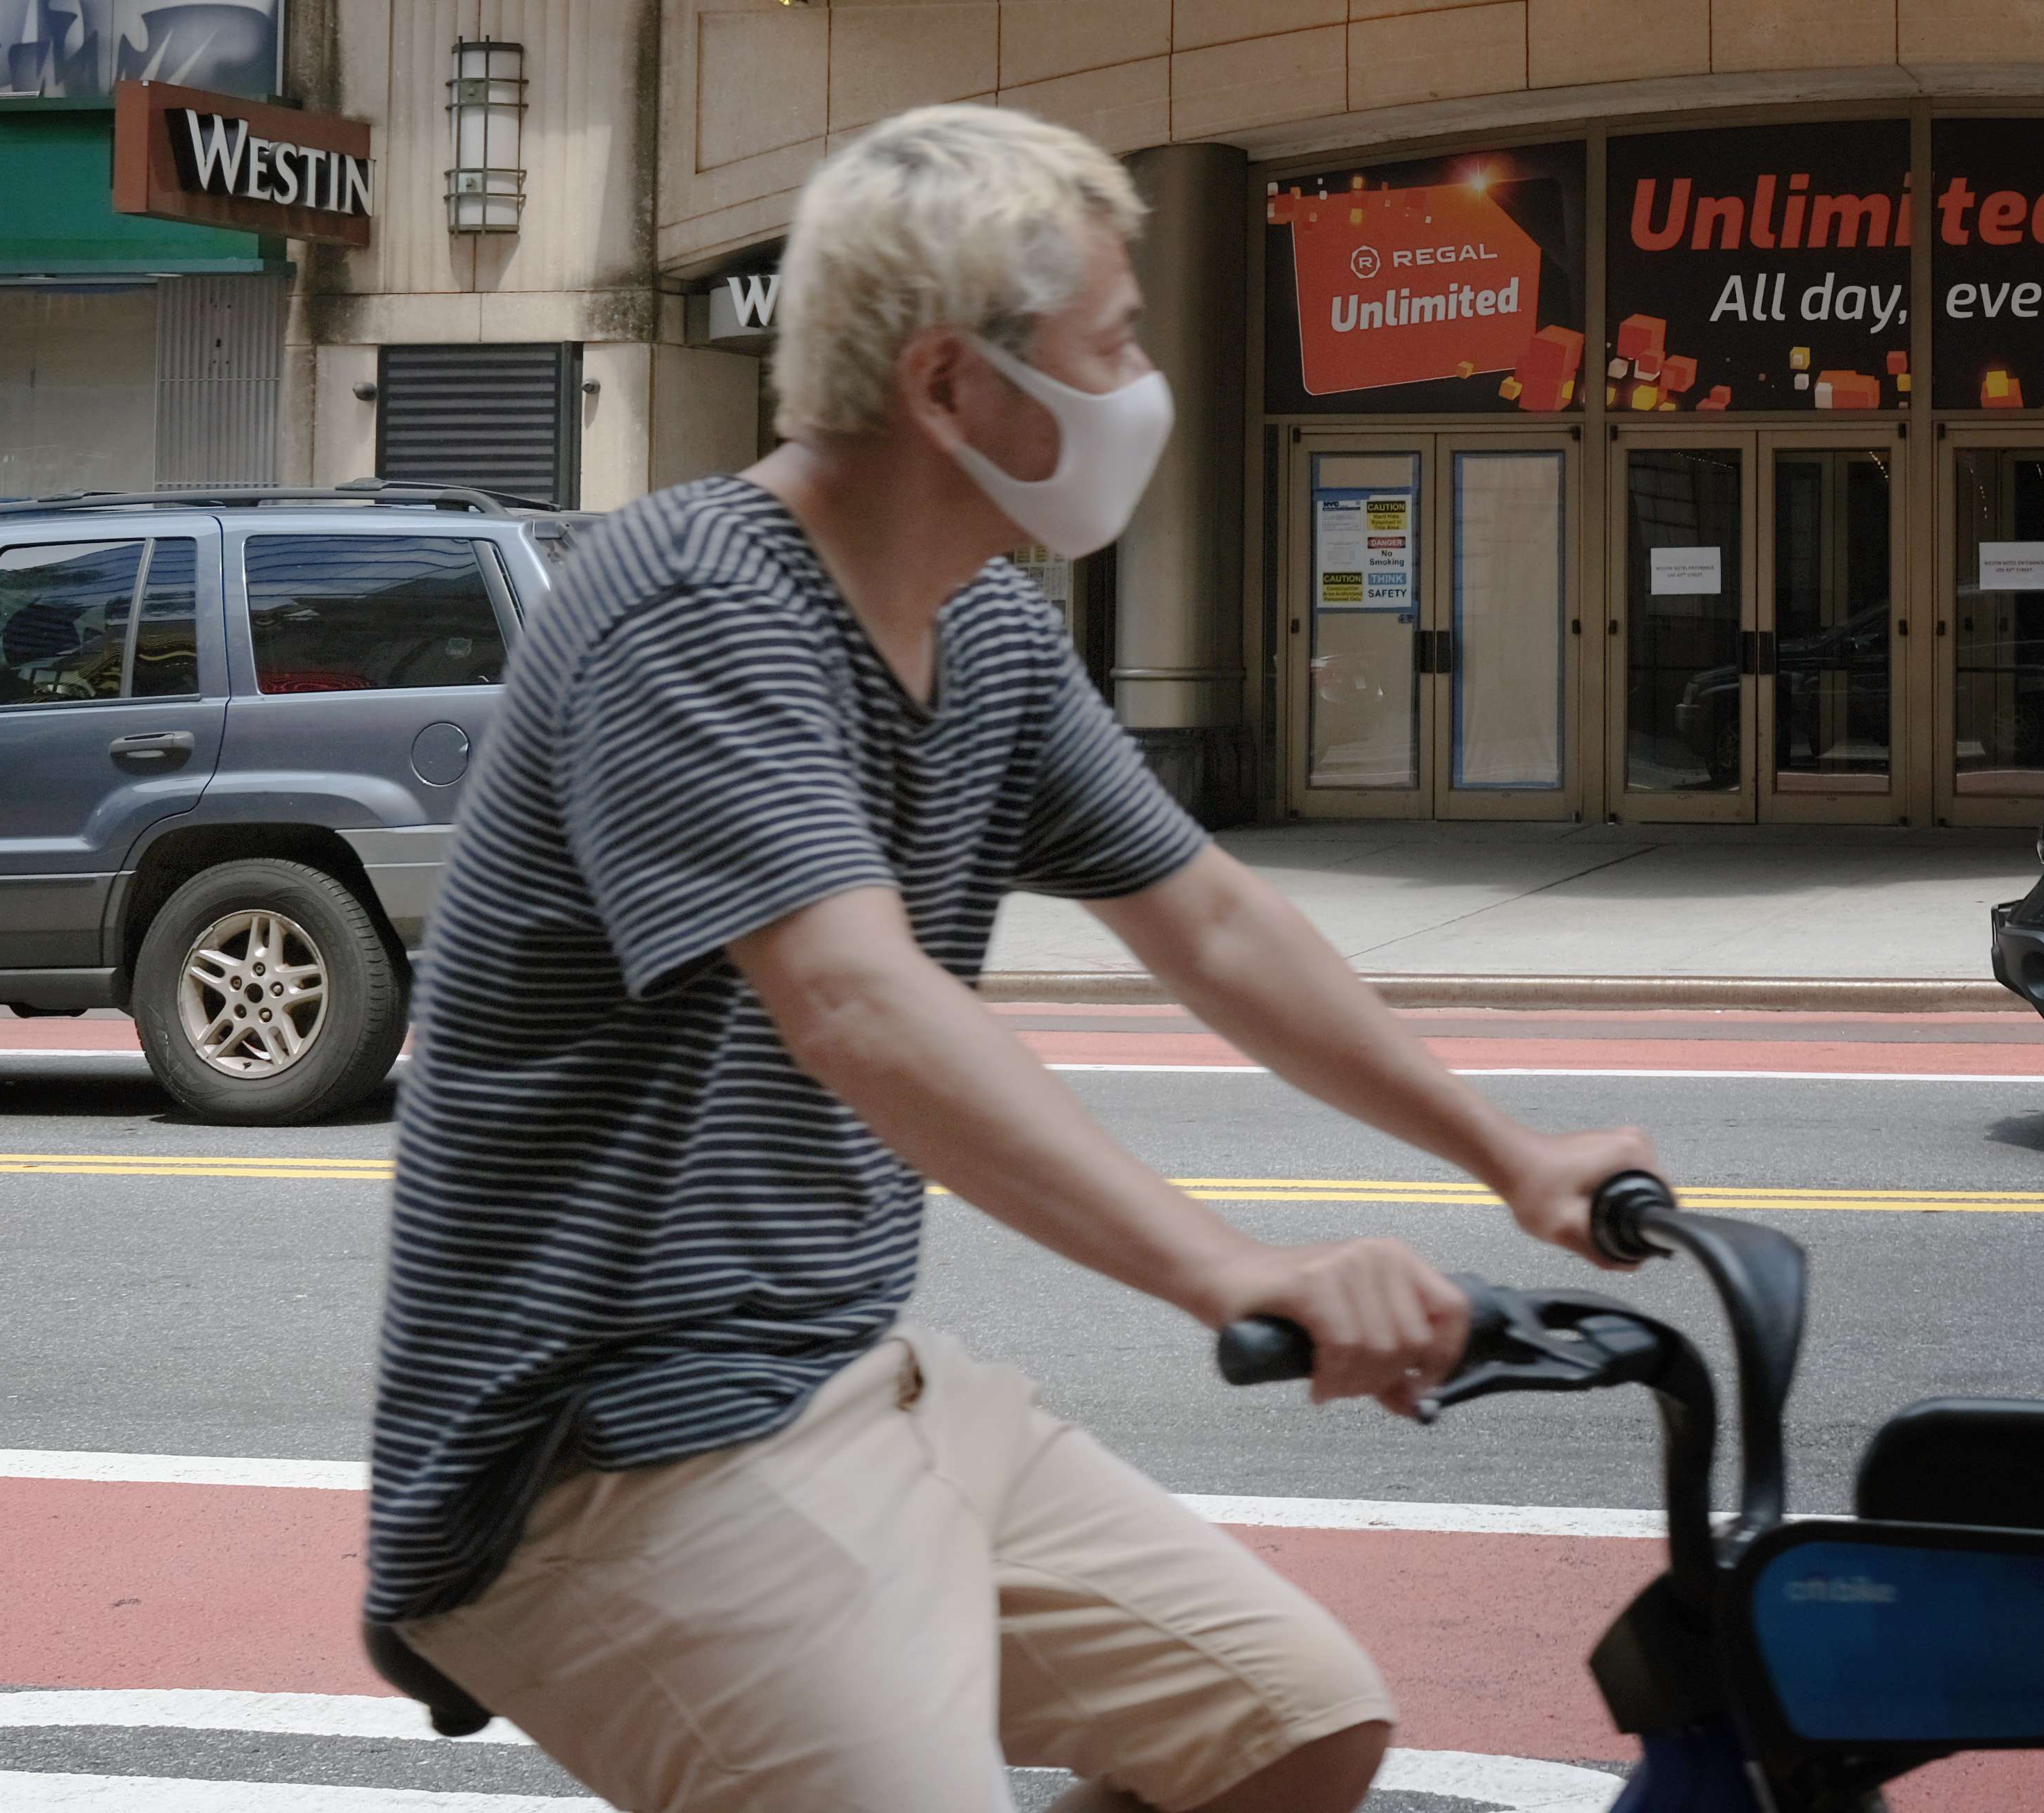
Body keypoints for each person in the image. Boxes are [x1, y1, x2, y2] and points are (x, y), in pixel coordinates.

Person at [364, 104, 1656, 1813]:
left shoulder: (985, 629)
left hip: (851, 1384)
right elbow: (854, 1001)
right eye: (1107, 342)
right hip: (602, 1452)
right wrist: (1234, 1271)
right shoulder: (691, 603)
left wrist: (1512, 1157)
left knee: (1291, 1725)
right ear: (949, 386)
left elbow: (1206, 916)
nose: (1142, 385)